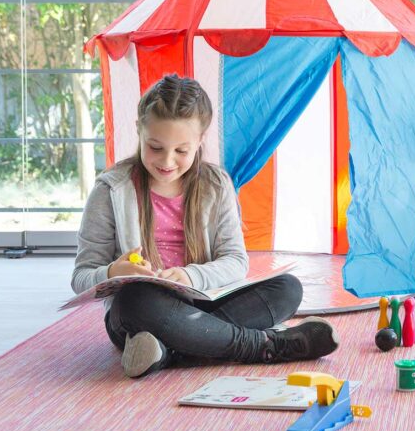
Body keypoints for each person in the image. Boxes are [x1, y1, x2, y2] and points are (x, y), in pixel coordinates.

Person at [72, 74, 338, 378]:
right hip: (144, 312)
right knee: (134, 299)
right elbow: (81, 277)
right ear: (139, 131)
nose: (167, 161)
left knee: (288, 288)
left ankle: (166, 352)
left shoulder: (215, 185)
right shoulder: (111, 190)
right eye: (155, 147)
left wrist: (189, 275)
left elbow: (236, 262)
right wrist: (111, 273)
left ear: (200, 141)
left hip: (205, 305)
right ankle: (260, 345)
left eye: (181, 151)